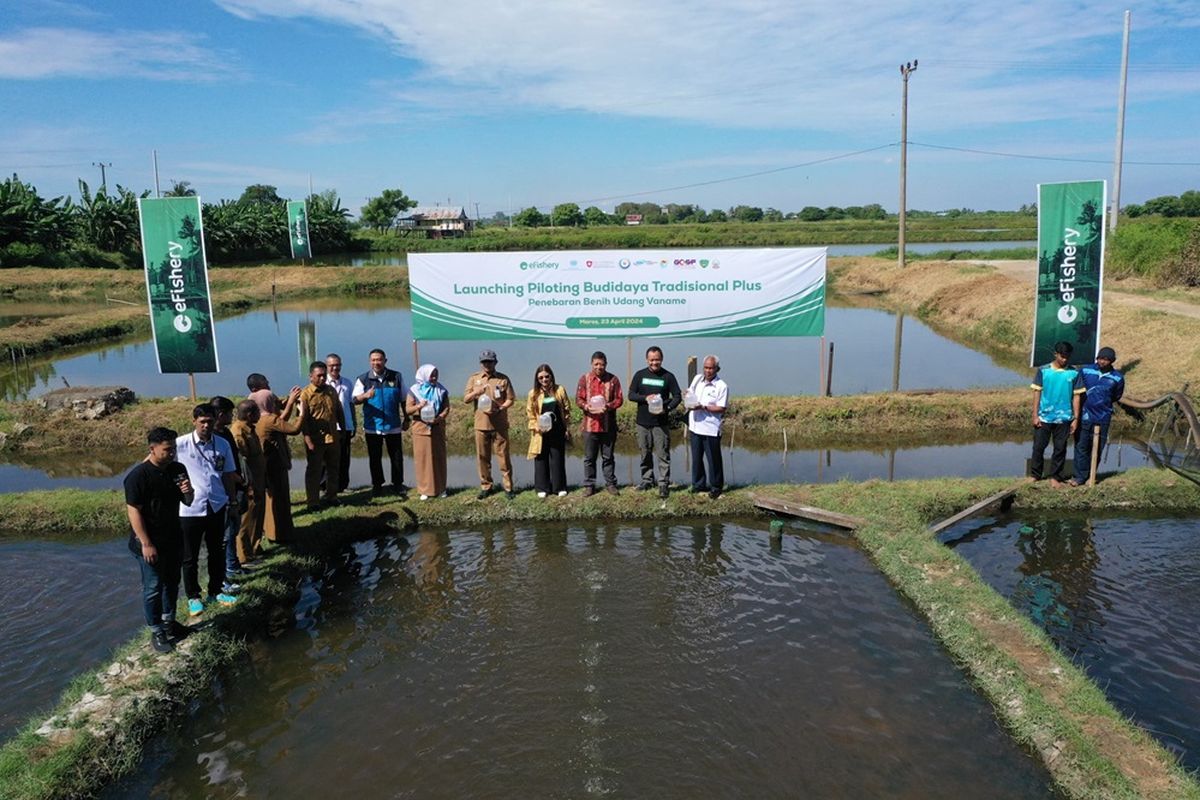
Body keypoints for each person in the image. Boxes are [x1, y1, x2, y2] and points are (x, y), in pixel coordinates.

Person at [125, 427, 194, 653]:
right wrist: (146, 543)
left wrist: (188, 490)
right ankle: (156, 631)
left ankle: (169, 622)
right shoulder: (138, 476)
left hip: (173, 537)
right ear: (152, 449)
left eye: (173, 448)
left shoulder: (177, 469)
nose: (172, 453)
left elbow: (188, 501)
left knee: (172, 582)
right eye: (167, 449)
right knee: (153, 586)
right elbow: (134, 511)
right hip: (149, 542)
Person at [176, 403, 239, 615]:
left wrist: (232, 502)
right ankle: (193, 597)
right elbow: (158, 463)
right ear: (194, 421)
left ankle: (216, 590)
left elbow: (228, 475)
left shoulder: (222, 444)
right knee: (189, 556)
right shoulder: (180, 445)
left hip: (216, 504)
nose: (206, 425)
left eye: (210, 422)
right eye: (202, 422)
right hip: (190, 509)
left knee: (216, 551)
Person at [627, 345, 683, 499]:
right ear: (647, 360)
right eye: (651, 360)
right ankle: (647, 480)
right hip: (642, 423)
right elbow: (631, 395)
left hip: (660, 423)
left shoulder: (668, 376)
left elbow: (677, 396)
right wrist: (645, 398)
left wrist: (668, 408)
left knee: (663, 454)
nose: (654, 363)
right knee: (644, 453)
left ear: (661, 359)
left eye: (657, 360)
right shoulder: (640, 375)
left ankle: (663, 483)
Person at [253, 387, 304, 544]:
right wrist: (301, 412)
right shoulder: (269, 420)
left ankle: (271, 532)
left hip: (265, 464)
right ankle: (281, 534)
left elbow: (281, 421)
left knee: (271, 500)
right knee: (280, 500)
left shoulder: (258, 420)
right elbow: (293, 429)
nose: (276, 404)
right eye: (273, 401)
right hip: (275, 465)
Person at [353, 348, 408, 496]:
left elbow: (404, 399)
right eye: (373, 360)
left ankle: (397, 484)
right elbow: (354, 400)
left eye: (379, 360)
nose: (376, 363)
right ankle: (377, 485)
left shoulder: (396, 377)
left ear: (385, 361)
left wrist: (407, 418)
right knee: (375, 457)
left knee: (396, 456)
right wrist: (366, 395)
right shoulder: (363, 379)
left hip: (393, 424)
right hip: (373, 426)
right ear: (369, 362)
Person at [1030, 340, 1085, 487]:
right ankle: (1035, 474)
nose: (1064, 359)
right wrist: (1035, 415)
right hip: (1044, 416)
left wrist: (1075, 419)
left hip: (1064, 418)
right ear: (1055, 354)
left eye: (1067, 356)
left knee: (1060, 448)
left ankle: (1055, 476)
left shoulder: (1074, 372)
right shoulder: (1043, 370)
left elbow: (1077, 396)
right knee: (1038, 447)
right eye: (1062, 356)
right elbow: (1037, 392)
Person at [464, 348, 516, 499]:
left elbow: (511, 399)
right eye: (484, 362)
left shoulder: (503, 379)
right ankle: (486, 486)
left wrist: (501, 408)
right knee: (483, 457)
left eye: (490, 361)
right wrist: (477, 392)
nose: (487, 364)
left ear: (495, 362)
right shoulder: (474, 379)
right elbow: (466, 399)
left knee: (503, 457)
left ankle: (508, 488)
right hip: (481, 425)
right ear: (481, 363)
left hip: (499, 424)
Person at [1071, 346, 1125, 486]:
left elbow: (1116, 396)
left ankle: (1092, 475)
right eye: (1100, 358)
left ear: (1112, 361)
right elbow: (1077, 390)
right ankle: (1079, 477)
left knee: (1097, 448)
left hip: (1103, 417)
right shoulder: (1085, 370)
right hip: (1084, 415)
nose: (1102, 362)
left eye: (1106, 360)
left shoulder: (1117, 378)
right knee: (1081, 446)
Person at [209, 396, 248, 588]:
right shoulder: (215, 438)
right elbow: (221, 467)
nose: (232, 417)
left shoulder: (225, 432)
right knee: (226, 534)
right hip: (225, 490)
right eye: (230, 414)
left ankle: (233, 565)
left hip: (236, 487)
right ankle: (226, 574)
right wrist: (237, 479)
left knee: (233, 530)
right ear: (221, 414)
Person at [575, 351, 624, 496]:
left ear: (606, 364)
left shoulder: (613, 379)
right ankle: (589, 485)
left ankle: (610, 484)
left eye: (601, 364)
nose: (599, 367)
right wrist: (586, 406)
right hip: (590, 426)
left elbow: (619, 399)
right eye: (596, 364)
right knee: (589, 458)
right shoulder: (584, 379)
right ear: (591, 364)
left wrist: (608, 407)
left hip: (608, 425)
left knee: (608, 457)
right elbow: (578, 399)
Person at [299, 360, 345, 511]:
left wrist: (342, 430)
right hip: (315, 439)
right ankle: (313, 501)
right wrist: (308, 440)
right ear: (310, 376)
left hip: (332, 437)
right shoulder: (305, 395)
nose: (322, 379)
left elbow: (339, 411)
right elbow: (302, 420)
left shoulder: (331, 391)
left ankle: (331, 496)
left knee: (334, 468)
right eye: (318, 376)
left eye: (324, 376)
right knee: (314, 471)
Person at [526, 363, 572, 498]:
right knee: (541, 459)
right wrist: (536, 426)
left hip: (557, 430)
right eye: (541, 378)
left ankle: (559, 487)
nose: (544, 380)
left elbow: (567, 410)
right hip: (541, 431)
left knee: (557, 459)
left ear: (551, 376)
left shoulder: (560, 390)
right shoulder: (533, 393)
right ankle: (542, 488)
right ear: (537, 379)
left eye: (547, 376)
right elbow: (530, 414)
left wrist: (567, 428)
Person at [686, 355, 729, 499]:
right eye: (706, 367)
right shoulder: (697, 379)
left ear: (717, 369)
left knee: (713, 459)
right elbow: (690, 393)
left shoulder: (721, 386)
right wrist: (687, 397)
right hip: (695, 426)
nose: (708, 371)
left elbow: (721, 408)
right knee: (697, 458)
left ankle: (716, 487)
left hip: (711, 428)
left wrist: (703, 407)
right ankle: (698, 485)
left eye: (711, 368)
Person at [406, 364, 450, 500]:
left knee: (439, 458)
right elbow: (408, 410)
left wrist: (439, 418)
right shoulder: (414, 390)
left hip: (437, 428)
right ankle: (425, 490)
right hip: (421, 428)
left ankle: (441, 488)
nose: (434, 377)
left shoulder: (441, 390)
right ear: (424, 375)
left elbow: (446, 408)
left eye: (436, 374)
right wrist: (419, 406)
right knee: (423, 459)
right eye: (431, 375)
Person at [230, 399, 265, 564]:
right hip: (249, 482)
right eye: (257, 412)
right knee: (247, 519)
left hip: (258, 479)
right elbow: (242, 461)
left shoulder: (250, 428)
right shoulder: (238, 432)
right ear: (250, 414)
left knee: (257, 516)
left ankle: (255, 547)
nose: (260, 415)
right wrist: (247, 485)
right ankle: (244, 556)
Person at [325, 352, 356, 493]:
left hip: (345, 426)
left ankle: (342, 485)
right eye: (331, 365)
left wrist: (354, 422)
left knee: (344, 456)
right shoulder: (322, 382)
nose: (335, 368)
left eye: (337, 365)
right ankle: (324, 486)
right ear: (327, 366)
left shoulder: (347, 383)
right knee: (327, 458)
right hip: (328, 427)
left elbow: (350, 404)